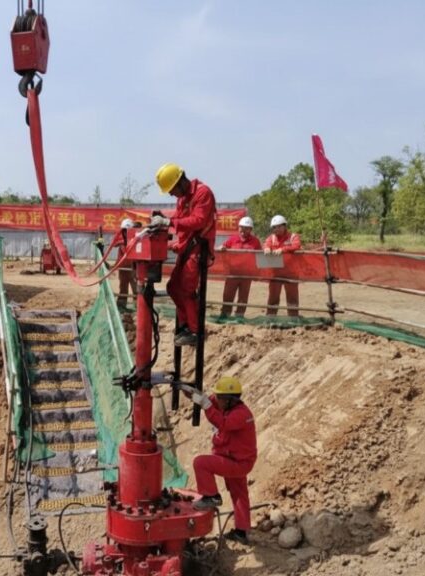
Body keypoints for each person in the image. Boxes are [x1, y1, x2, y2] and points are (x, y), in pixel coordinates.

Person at [152, 163, 217, 347]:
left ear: (181, 182)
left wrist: (168, 221)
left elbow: (198, 221)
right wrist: (168, 226)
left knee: (187, 288)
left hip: (199, 248)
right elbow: (180, 220)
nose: (172, 194)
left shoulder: (203, 193)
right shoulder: (182, 199)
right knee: (173, 287)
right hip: (187, 247)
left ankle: (195, 331)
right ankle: (186, 324)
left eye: (172, 190)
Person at [188, 376, 258, 545]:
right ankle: (241, 531)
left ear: (229, 400)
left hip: (237, 462)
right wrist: (191, 392)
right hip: (236, 459)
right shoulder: (227, 404)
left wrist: (205, 404)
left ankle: (211, 496)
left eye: (220, 398)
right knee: (239, 494)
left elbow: (222, 423)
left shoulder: (241, 415)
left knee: (201, 463)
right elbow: (210, 400)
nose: (216, 400)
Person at [219, 216, 262, 318]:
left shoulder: (255, 241)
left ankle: (239, 316)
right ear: (238, 228)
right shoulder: (233, 239)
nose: (243, 230)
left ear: (250, 229)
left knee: (243, 296)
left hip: (247, 274)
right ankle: (225, 315)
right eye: (241, 227)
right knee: (228, 295)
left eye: (246, 228)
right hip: (232, 273)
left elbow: (260, 257)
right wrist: (222, 248)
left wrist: (257, 273)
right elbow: (222, 247)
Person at [263, 215, 302, 316]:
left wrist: (283, 250)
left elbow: (296, 246)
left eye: (279, 226)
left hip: (291, 273)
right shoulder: (271, 238)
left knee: (292, 297)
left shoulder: (293, 236)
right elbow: (266, 244)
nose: (277, 229)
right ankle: (270, 317)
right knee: (273, 297)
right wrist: (266, 248)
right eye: (274, 227)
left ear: (285, 226)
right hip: (275, 273)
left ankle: (293, 318)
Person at [116, 218, 138, 309]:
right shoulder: (121, 240)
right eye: (124, 231)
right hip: (123, 268)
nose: (125, 233)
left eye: (127, 231)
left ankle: (138, 307)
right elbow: (115, 244)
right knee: (123, 289)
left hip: (134, 267)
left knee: (136, 289)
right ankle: (121, 307)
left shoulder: (136, 239)